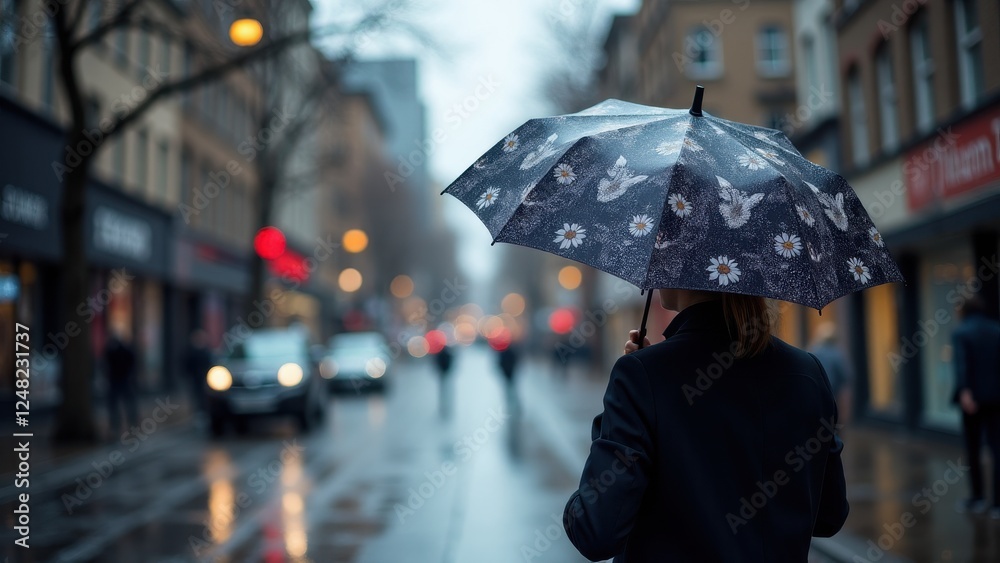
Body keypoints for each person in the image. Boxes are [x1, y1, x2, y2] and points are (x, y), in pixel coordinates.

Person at [563, 289, 848, 562]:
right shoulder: (809, 372)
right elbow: (829, 515)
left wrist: (622, 410)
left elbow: (595, 531)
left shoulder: (642, 375)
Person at [951, 295, 1000, 518]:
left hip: (972, 399)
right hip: (996, 398)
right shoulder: (995, 329)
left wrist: (965, 391)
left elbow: (962, 364)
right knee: (996, 448)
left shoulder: (961, 332)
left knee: (973, 448)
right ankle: (997, 503)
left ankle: (978, 497)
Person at [809, 322, 852, 425]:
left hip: (815, 395)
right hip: (833, 395)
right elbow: (845, 378)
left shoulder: (812, 352)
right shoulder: (837, 354)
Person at [104, 329, 139, 438]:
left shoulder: (114, 351)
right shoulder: (113, 351)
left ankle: (121, 426)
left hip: (120, 380)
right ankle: (127, 425)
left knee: (121, 404)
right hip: (119, 380)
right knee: (124, 403)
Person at [183, 329, 214, 415]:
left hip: (204, 378)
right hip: (195, 378)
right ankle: (197, 410)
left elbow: (209, 364)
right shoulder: (191, 351)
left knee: (204, 394)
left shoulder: (206, 351)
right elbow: (187, 364)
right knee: (195, 394)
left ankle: (203, 410)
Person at [433, 344, 454, 418]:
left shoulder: (441, 352)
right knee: (446, 390)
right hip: (444, 373)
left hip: (444, 374)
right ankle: (445, 406)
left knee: (444, 390)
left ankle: (445, 406)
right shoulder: (447, 352)